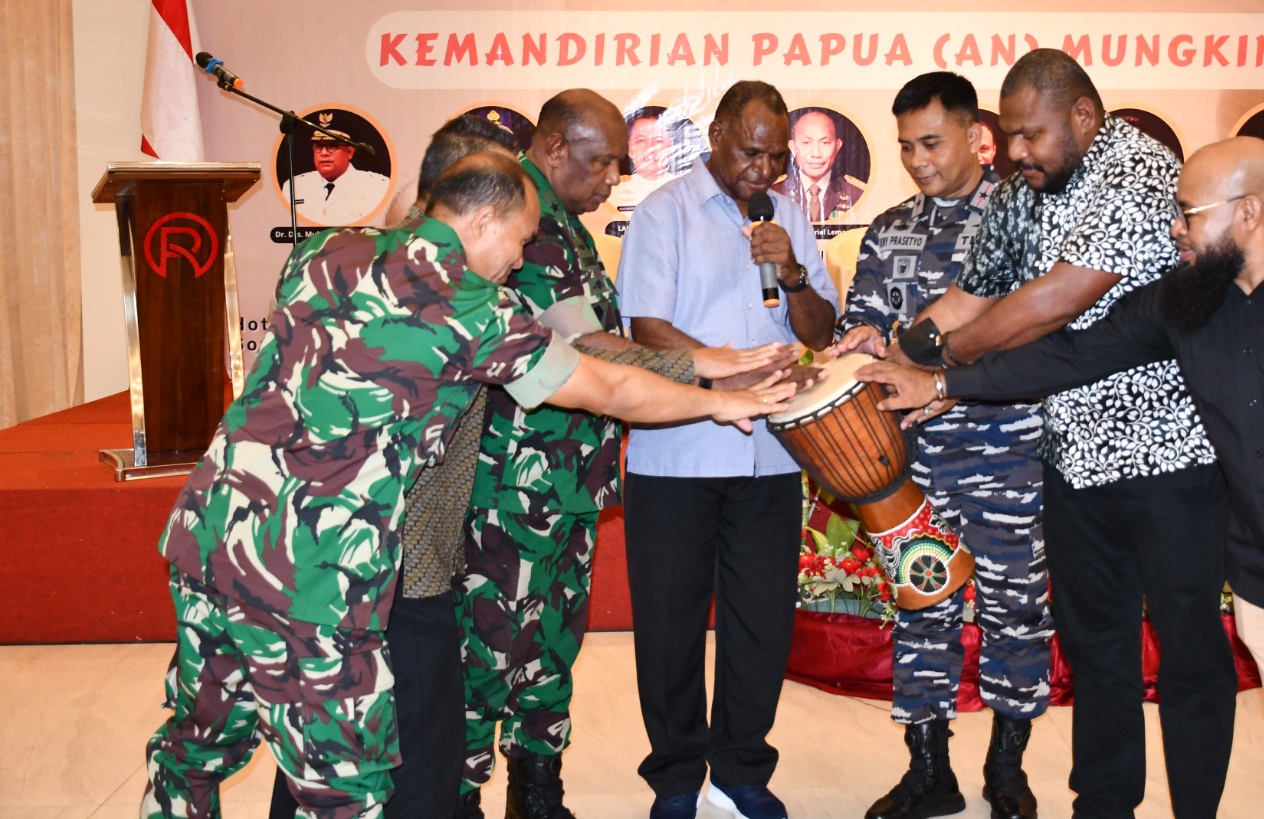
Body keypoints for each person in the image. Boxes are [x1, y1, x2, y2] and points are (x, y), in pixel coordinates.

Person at [143, 153, 793, 819]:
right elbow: (611, 389)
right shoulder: (472, 308)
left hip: (211, 536)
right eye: (521, 238)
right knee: (341, 790)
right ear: (483, 221)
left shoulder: (325, 250)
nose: (521, 258)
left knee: (196, 748)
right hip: (317, 575)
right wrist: (719, 402)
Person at [863, 136, 1264, 819]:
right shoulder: (1190, 300)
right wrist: (941, 382)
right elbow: (1072, 355)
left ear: (1247, 212)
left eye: (1188, 214)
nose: (1174, 229)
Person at [891, 48, 1236, 819]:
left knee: (1188, 652)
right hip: (1072, 462)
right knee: (1097, 648)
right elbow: (969, 299)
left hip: (1167, 461)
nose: (1014, 151)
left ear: (1083, 116)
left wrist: (947, 363)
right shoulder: (1027, 189)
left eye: (1031, 134)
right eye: (1009, 134)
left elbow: (1058, 299)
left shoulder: (1138, 170)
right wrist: (892, 360)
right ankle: (1102, 808)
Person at [456, 89, 793, 819]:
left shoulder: (563, 225)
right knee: (489, 653)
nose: (614, 178)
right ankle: (461, 800)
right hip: (513, 488)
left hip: (563, 484)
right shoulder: (524, 222)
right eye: (603, 161)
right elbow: (591, 347)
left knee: (548, 648)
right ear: (555, 149)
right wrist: (707, 369)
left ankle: (537, 792)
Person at [264, 113, 520, 819]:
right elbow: (592, 376)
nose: (518, 248)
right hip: (399, 574)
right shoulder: (461, 299)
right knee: (419, 764)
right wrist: (712, 380)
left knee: (322, 752)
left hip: (318, 559)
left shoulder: (332, 262)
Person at [617, 80, 839, 819]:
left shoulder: (788, 216)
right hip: (678, 451)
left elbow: (817, 331)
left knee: (761, 622)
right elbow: (646, 330)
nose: (764, 169)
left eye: (776, 157)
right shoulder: (664, 212)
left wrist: (794, 271)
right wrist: (729, 372)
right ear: (714, 136)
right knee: (670, 624)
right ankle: (678, 778)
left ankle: (741, 770)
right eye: (751, 152)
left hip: (771, 454)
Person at [831, 72, 1050, 819]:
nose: (918, 160)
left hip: (1007, 452)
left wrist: (943, 375)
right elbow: (862, 320)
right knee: (922, 605)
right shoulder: (889, 227)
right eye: (905, 147)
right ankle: (929, 771)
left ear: (974, 136)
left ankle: (1007, 770)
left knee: (1014, 609)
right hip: (912, 462)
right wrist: (862, 338)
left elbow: (1037, 330)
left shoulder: (1022, 216)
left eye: (931, 142)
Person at [281, 120, 390, 225]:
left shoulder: (376, 186)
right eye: (319, 146)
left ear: (350, 152)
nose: (324, 153)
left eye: (332, 146)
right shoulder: (294, 186)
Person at [779, 108, 865, 222]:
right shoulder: (774, 193)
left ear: (837, 146)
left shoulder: (857, 194)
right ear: (793, 147)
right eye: (806, 143)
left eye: (825, 143)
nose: (816, 154)